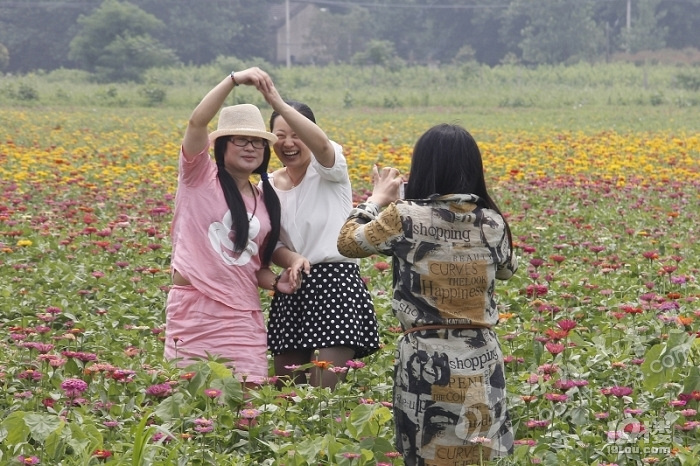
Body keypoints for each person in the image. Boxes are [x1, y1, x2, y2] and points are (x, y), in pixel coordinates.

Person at [337, 123, 518, 464]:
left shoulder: (405, 217)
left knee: (424, 449)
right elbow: (508, 269)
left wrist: (375, 200)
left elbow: (348, 242)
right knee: (481, 449)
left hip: (426, 359)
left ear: (422, 167)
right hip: (483, 358)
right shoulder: (492, 222)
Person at [165, 67, 305, 387]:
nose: (251, 147)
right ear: (223, 144)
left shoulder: (265, 200)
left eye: (257, 142)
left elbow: (252, 267)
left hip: (243, 316)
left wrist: (277, 282)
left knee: (246, 403)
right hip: (195, 310)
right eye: (241, 140)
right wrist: (233, 80)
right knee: (189, 402)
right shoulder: (199, 177)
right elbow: (197, 122)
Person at [254, 76, 380, 389]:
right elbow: (271, 244)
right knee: (286, 392)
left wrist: (279, 105)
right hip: (292, 287)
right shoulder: (265, 186)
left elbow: (322, 145)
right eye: (280, 135)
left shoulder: (329, 170)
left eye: (297, 135)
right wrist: (293, 258)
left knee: (324, 392)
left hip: (336, 284)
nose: (287, 143)